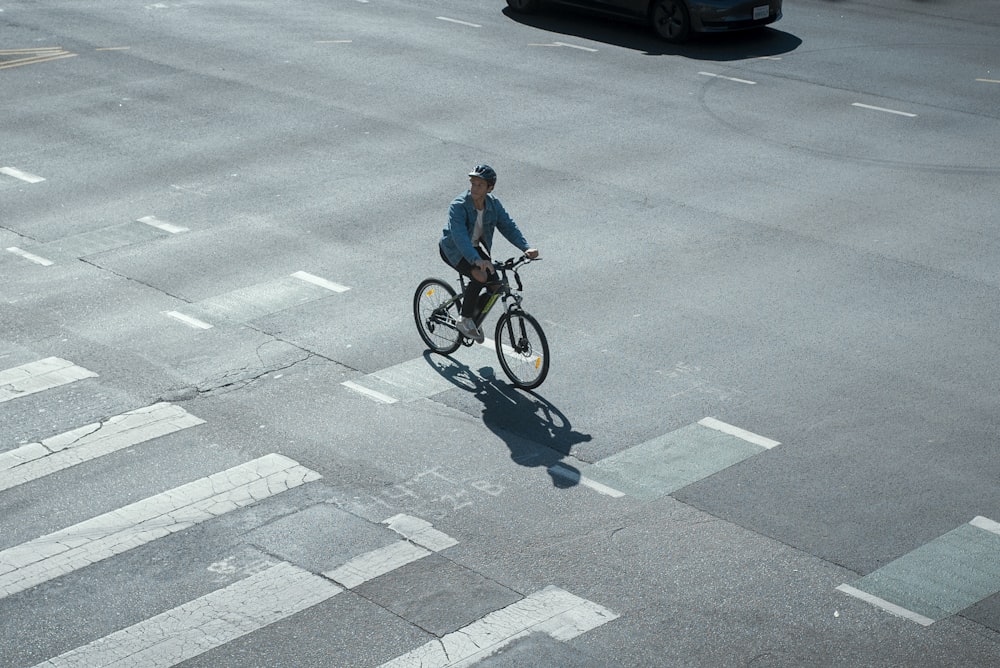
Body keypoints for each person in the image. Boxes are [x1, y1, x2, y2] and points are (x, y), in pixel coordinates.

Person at [439, 164, 539, 343]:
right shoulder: (458, 206)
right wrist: (477, 260)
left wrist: (525, 248)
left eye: (480, 185)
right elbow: (460, 238)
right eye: (473, 183)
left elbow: (508, 226)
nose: (474, 188)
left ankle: (474, 319)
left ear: (490, 188)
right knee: (480, 275)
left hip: (474, 247)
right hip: (454, 249)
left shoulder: (493, 204)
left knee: (495, 286)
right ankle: (464, 319)